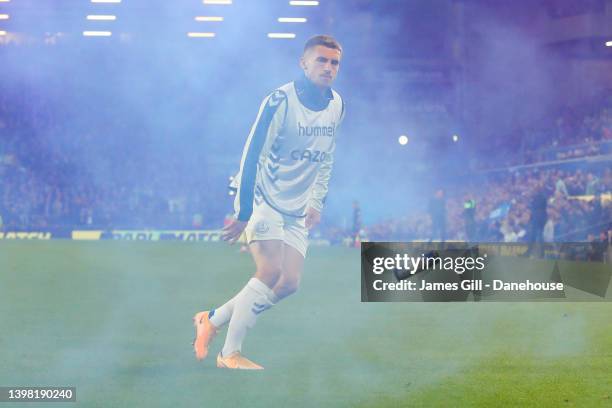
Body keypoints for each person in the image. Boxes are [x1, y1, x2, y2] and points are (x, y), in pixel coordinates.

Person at [192, 35, 345, 370]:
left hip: (296, 206)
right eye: (321, 60)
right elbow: (251, 155)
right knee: (269, 270)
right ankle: (228, 354)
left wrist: (316, 201)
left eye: (334, 62)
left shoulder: (337, 105)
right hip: (263, 195)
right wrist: (243, 212)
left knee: (289, 282)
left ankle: (212, 320)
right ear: (303, 63)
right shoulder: (280, 101)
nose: (329, 67)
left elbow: (327, 157)